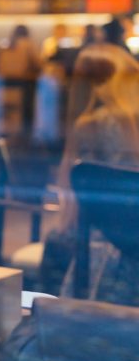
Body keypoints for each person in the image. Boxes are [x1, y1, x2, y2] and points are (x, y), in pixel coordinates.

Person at [40, 44, 139, 301]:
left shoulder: (90, 125)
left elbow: (76, 209)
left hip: (110, 239)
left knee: (56, 241)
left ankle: (52, 322)